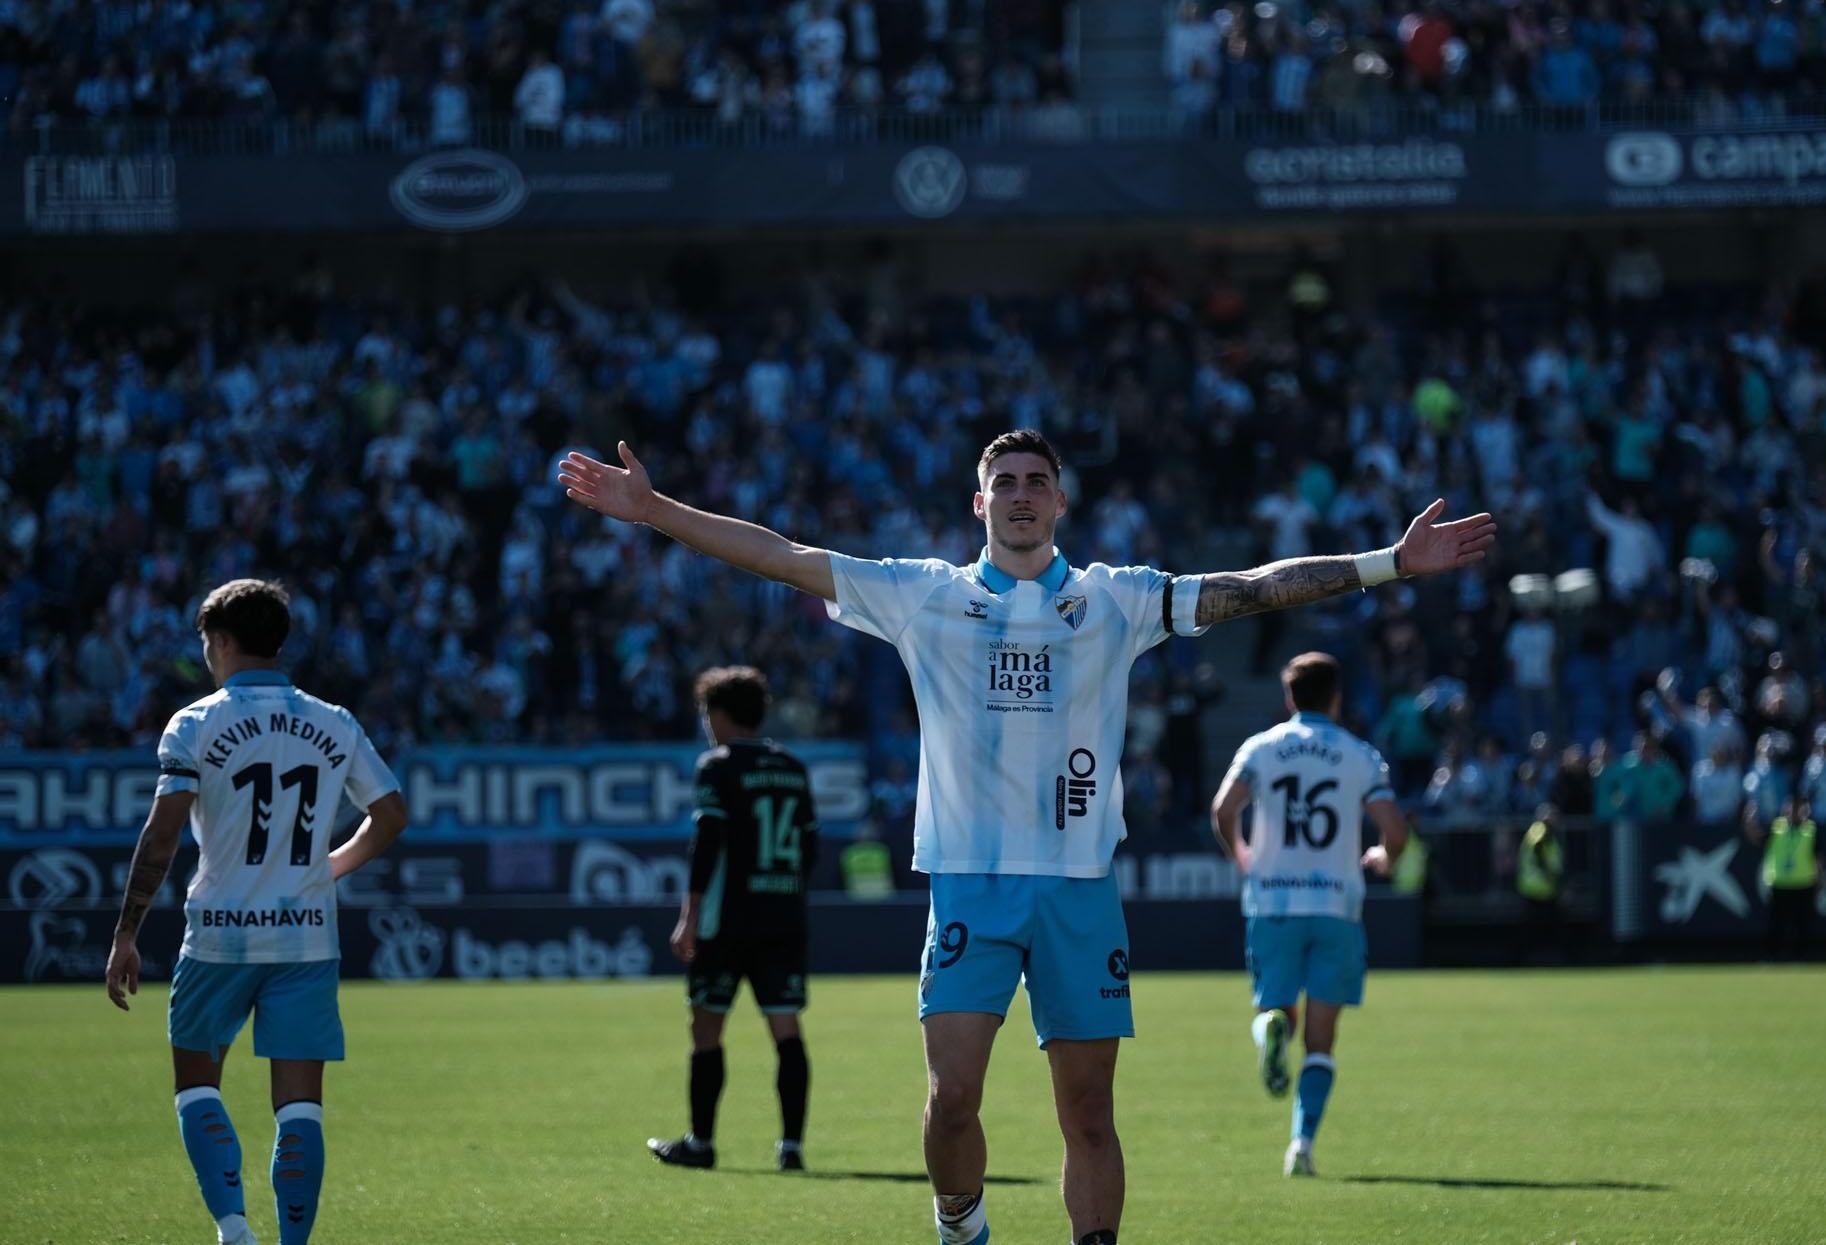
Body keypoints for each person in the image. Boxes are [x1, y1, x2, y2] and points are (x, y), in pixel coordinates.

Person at [559, 428, 1494, 1245]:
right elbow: (779, 554)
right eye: (1002, 483)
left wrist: (1390, 563)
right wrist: (656, 512)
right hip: (969, 883)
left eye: (1035, 481)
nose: (1019, 496)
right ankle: (962, 1223)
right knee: (952, 1098)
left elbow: (1249, 587)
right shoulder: (920, 594)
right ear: (978, 502)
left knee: (1087, 1108)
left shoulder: (1114, 598)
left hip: (1077, 889)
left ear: (1060, 500)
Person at [103, 579, 407, 1245]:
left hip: (219, 937)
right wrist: (330, 866)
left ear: (223, 641)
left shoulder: (194, 722)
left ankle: (235, 1231)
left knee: (197, 1086)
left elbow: (162, 836)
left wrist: (127, 930)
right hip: (305, 938)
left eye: (208, 642)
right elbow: (391, 814)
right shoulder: (334, 720)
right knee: (299, 1106)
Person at [1209, 652, 1407, 1178]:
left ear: (1290, 697)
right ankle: (1302, 1145)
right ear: (1336, 697)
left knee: (1275, 1008)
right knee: (1321, 1039)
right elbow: (1396, 830)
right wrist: (1385, 857)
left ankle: (1272, 1026)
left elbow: (1224, 810)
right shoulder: (1359, 755)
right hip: (1335, 906)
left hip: (1273, 901)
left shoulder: (1262, 748)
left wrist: (1242, 855)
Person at [651, 665, 819, 1172]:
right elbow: (810, 845)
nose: (706, 723)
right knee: (786, 1029)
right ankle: (791, 1148)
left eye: (707, 712)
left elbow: (708, 842)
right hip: (782, 918)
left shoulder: (717, 766)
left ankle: (701, 1144)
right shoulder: (792, 767)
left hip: (727, 922)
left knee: (706, 1029)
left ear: (720, 714)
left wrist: (690, 915)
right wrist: (786, 894)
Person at [1743, 793, 1819, 961]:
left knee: (1802, 926)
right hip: (1780, 885)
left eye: (1797, 808)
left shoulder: (1811, 830)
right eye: (1790, 807)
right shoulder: (1776, 828)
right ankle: (1772, 956)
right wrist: (1749, 820)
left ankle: (1801, 957)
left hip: (1803, 884)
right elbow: (1755, 837)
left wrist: (1820, 882)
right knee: (1775, 924)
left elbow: (1819, 860)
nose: (1793, 812)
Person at [1516, 803, 1565, 963]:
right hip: (1538, 887)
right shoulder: (1540, 830)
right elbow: (1538, 848)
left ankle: (1539, 957)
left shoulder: (1545, 831)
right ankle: (1534, 958)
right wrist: (1548, 873)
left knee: (1541, 927)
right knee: (1538, 928)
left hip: (1541, 887)